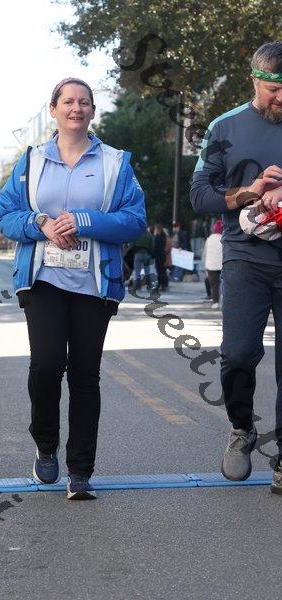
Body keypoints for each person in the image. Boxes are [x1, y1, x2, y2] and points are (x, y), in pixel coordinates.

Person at [0, 77, 146, 500]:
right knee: (46, 365)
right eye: (68, 101)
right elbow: (6, 216)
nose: (76, 108)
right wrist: (40, 223)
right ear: (54, 109)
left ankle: (80, 471)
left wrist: (85, 221)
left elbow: (135, 220)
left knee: (84, 374)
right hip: (43, 279)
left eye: (84, 102)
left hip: (94, 283)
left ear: (92, 111)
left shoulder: (116, 163)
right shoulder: (31, 161)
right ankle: (45, 444)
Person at [190, 41, 282, 494]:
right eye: (274, 89)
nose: (281, 98)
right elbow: (199, 196)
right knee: (239, 355)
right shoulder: (224, 127)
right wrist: (250, 192)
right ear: (255, 80)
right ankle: (241, 427)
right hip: (246, 256)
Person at [202, 219, 223, 309]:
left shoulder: (209, 239)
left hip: (211, 265)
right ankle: (224, 300)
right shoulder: (224, 238)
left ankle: (215, 302)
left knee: (214, 285)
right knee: (224, 283)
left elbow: (205, 252)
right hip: (222, 265)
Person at [129, 227, 153, 292]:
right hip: (146, 254)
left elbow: (132, 245)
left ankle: (137, 286)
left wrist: (133, 252)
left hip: (138, 254)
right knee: (147, 271)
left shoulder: (137, 234)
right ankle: (149, 286)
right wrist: (150, 254)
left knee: (137, 271)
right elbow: (152, 245)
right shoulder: (149, 235)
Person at [153, 224, 168, 291]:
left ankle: (159, 285)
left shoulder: (156, 238)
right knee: (163, 271)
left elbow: (155, 248)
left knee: (159, 271)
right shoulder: (163, 237)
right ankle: (164, 284)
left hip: (158, 256)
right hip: (163, 256)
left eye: (155, 229)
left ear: (157, 230)